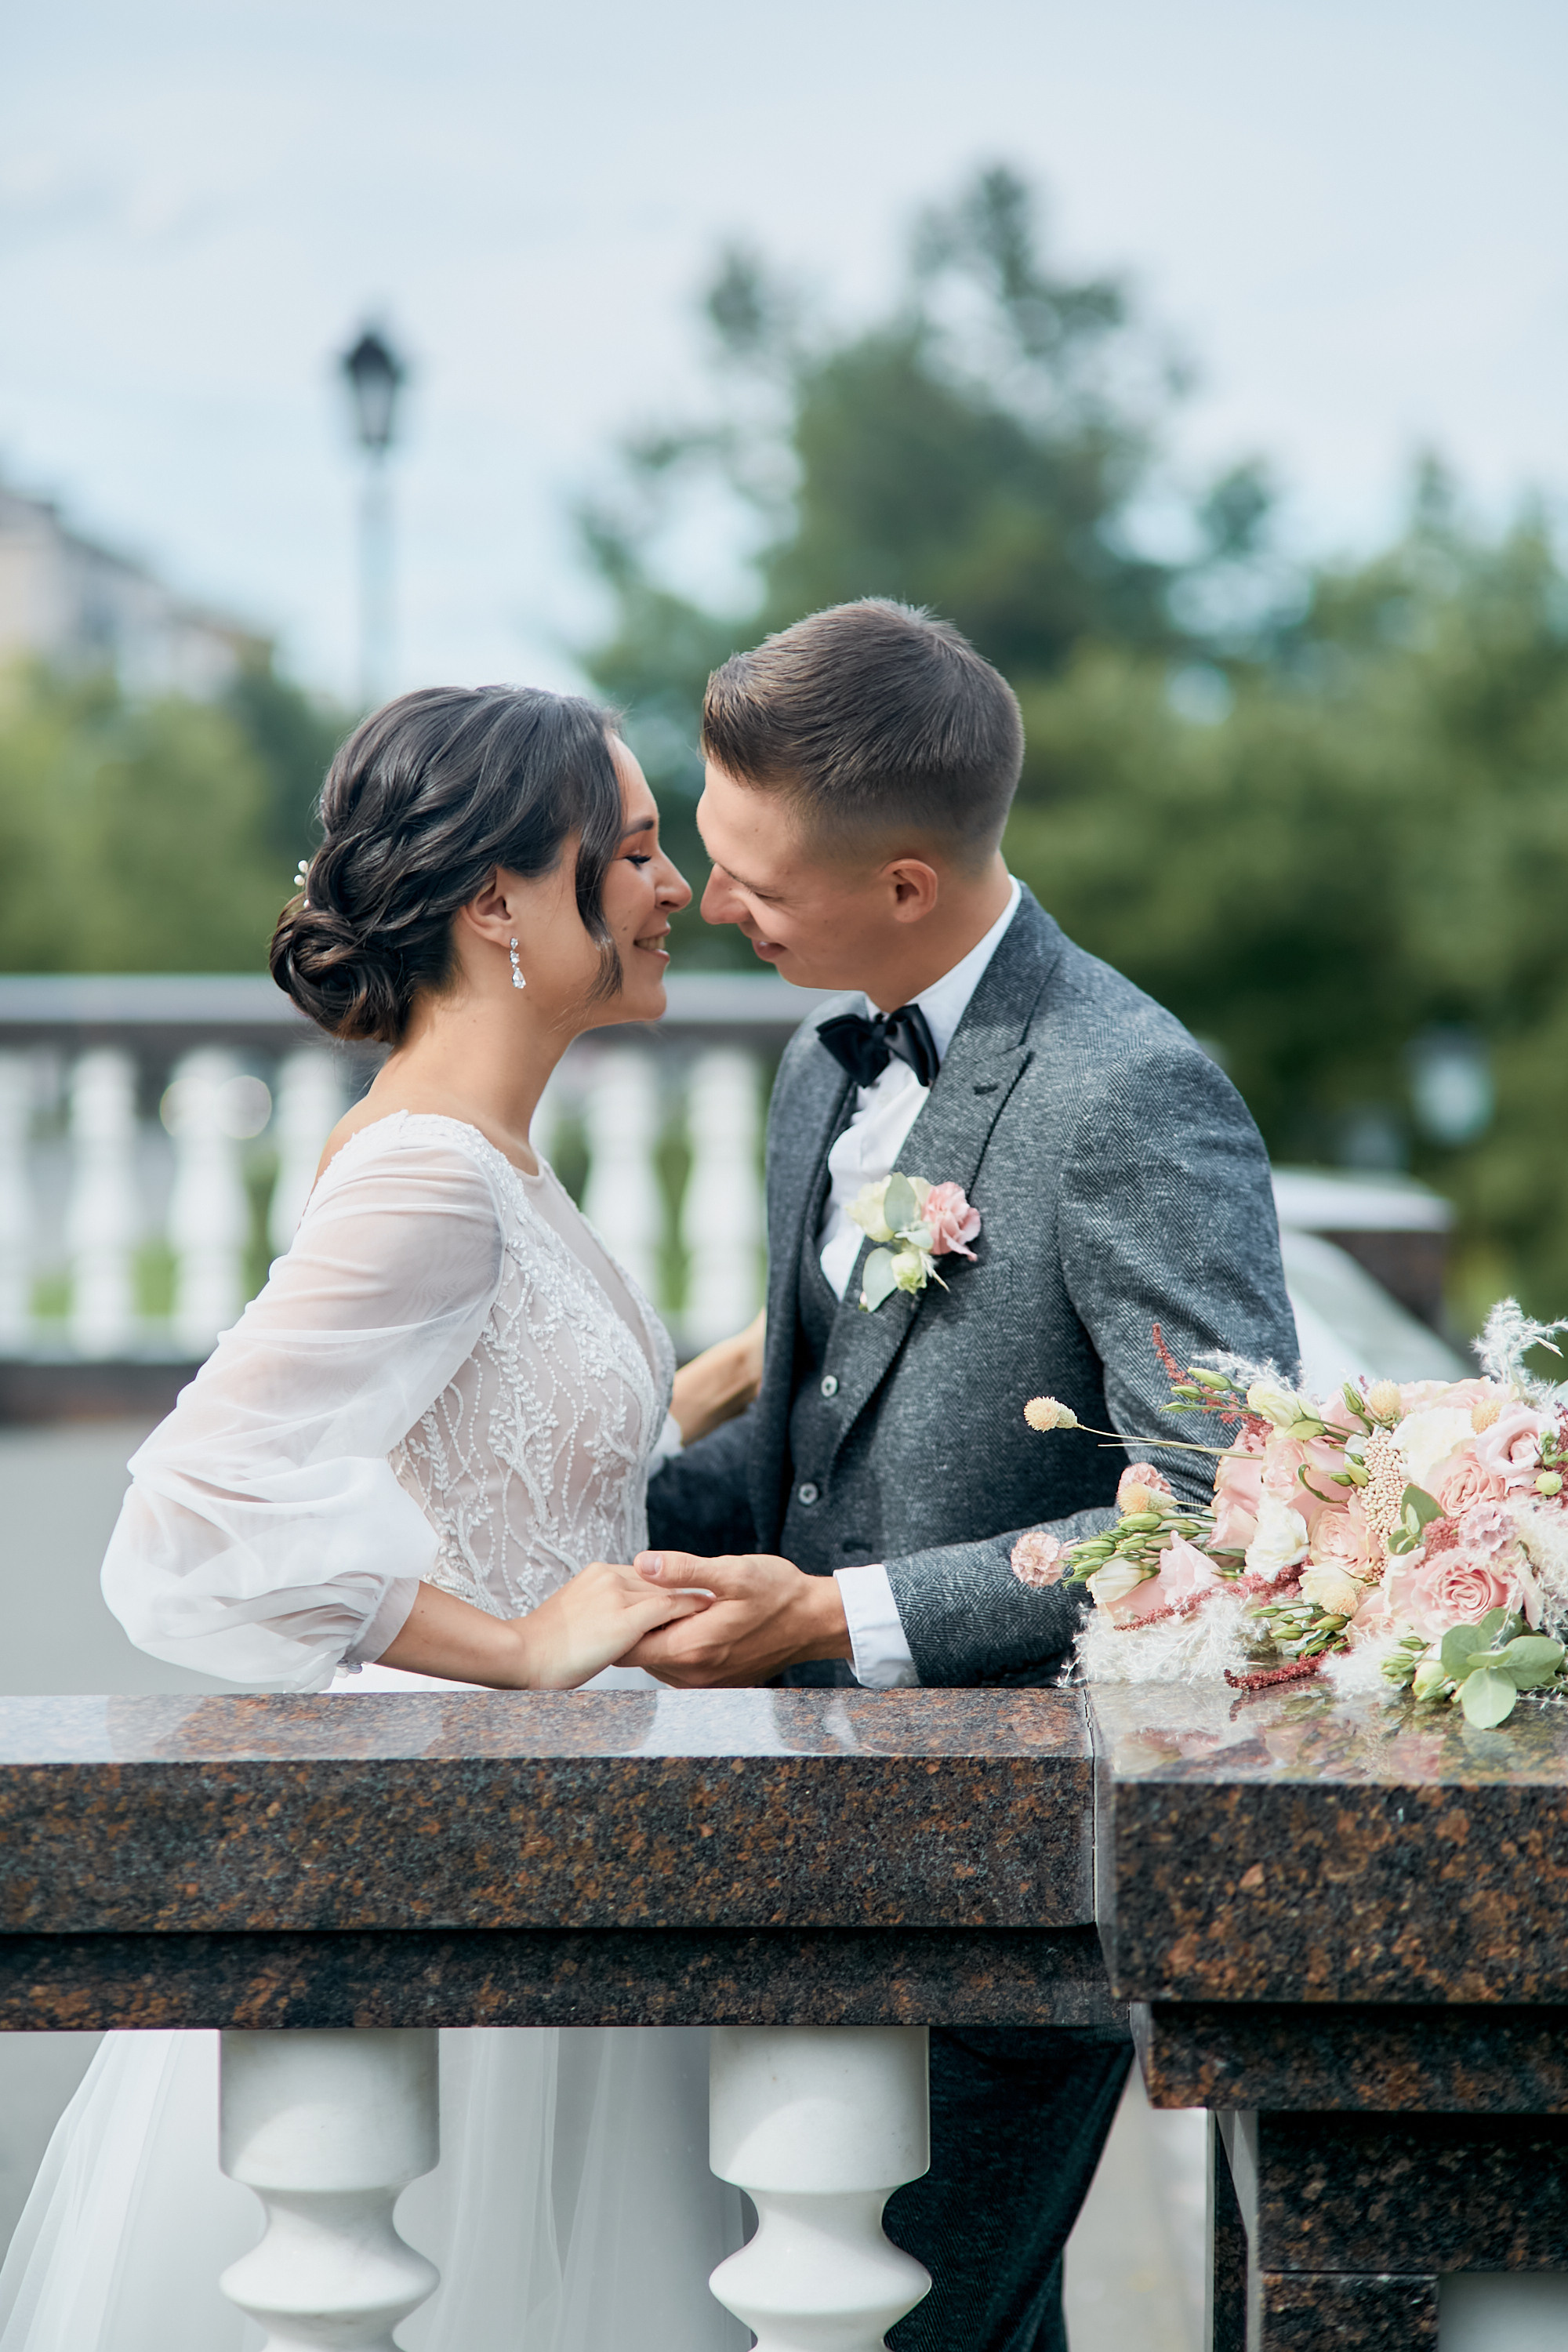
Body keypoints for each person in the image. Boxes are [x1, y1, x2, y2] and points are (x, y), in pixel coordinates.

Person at [0, 684, 761, 2352]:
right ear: (498, 901)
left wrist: (753, 1362)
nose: (673, 890)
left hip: (562, 1856)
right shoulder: (427, 1177)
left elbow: (511, 1428)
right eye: (631, 854)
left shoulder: (493, 1157)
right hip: (451, 1862)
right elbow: (188, 1522)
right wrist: (507, 1645)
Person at [622, 599, 1302, 2352]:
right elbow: (804, 1445)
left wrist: (841, 1616)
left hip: (1011, 1889)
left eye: (753, 878)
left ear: (907, 883)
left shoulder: (1132, 1091)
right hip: (795, 1858)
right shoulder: (818, 1051)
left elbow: (1224, 1502)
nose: (710, 905)